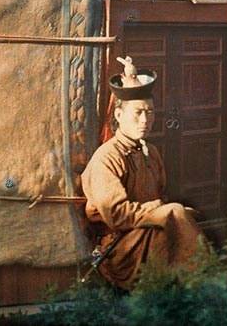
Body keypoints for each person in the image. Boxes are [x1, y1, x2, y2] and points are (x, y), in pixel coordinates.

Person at [81, 56, 203, 290]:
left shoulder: (151, 152)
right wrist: (159, 210)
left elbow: (161, 196)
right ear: (118, 116)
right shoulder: (106, 158)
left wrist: (165, 211)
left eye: (150, 112)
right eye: (138, 113)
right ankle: (205, 289)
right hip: (120, 246)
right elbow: (117, 215)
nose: (146, 120)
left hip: (147, 232)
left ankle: (198, 289)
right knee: (176, 218)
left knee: (181, 219)